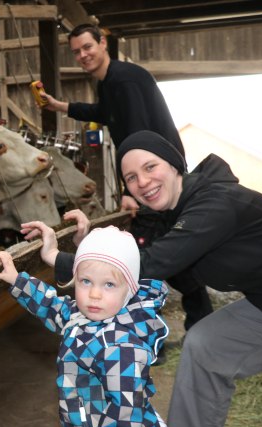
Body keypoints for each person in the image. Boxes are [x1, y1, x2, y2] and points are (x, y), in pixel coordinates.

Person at [48, 130, 262, 427]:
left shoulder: (216, 202)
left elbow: (153, 263)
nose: (142, 181)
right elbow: (131, 256)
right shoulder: (174, 212)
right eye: (131, 178)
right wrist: (88, 246)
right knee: (206, 345)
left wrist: (57, 258)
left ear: (174, 165)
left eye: (150, 167)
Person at [39, 23, 213, 334]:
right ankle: (196, 322)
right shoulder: (110, 82)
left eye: (87, 47)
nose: (83, 55)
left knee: (147, 253)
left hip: (156, 177)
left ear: (102, 43)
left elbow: (138, 134)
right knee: (166, 249)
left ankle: (149, 331)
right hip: (156, 174)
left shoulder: (124, 80)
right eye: (76, 52)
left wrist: (132, 189)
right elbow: (103, 112)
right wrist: (60, 106)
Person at [0, 226, 169, 427]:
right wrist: (17, 280)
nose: (94, 294)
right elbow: (51, 305)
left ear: (129, 291)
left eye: (109, 284)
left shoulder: (121, 349)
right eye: (86, 281)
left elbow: (126, 416)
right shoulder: (79, 315)